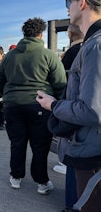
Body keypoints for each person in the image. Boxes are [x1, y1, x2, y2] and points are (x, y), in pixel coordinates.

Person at [37, 0, 101, 211]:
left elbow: (92, 110)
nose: (67, 8)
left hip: (90, 155)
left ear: (82, 3)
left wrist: (53, 104)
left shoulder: (96, 45)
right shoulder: (92, 44)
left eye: (69, 2)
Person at [0, 17, 67, 194]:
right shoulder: (48, 55)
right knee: (40, 145)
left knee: (17, 143)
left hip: (13, 106)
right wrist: (56, 103)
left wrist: (8, 96)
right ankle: (42, 183)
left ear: (24, 33)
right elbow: (60, 82)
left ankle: (16, 178)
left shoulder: (9, 56)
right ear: (41, 34)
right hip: (40, 105)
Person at [54, 23, 83, 212]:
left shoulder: (75, 52)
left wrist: (54, 104)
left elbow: (61, 82)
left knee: (73, 161)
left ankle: (72, 204)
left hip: (72, 111)